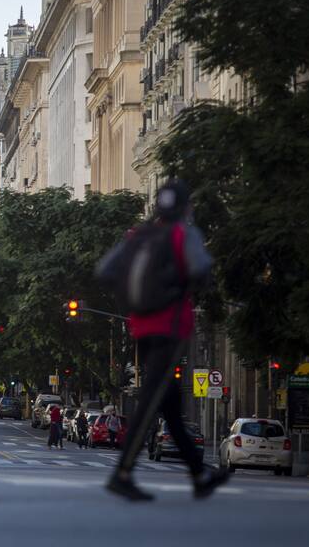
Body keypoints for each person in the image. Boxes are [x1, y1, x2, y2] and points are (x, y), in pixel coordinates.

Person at [97, 179, 229, 502]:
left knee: (170, 405)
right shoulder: (184, 234)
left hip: (140, 328)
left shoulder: (138, 236)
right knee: (150, 402)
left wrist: (133, 300)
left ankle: (199, 475)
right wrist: (179, 287)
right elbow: (202, 270)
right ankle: (122, 473)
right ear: (186, 208)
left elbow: (105, 270)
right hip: (171, 328)